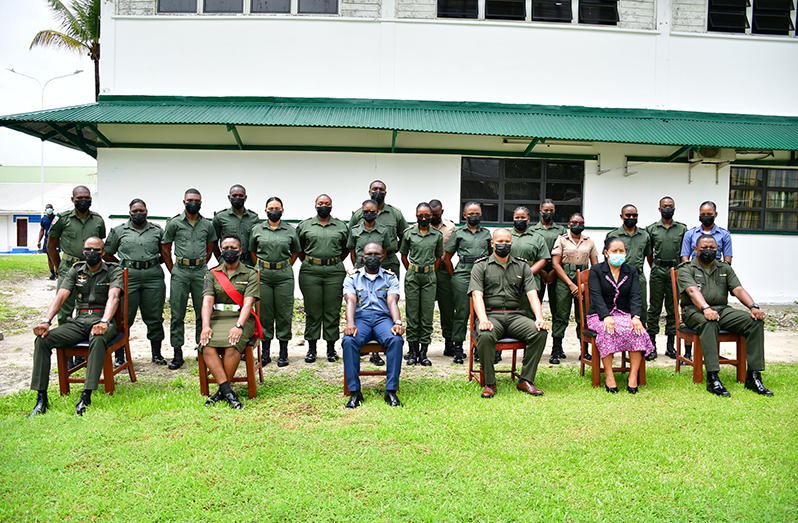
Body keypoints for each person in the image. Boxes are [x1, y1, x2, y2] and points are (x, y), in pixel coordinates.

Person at [28, 237, 122, 417]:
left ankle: (86, 395)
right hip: (79, 321)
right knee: (43, 340)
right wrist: (46, 321)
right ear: (83, 250)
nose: (91, 253)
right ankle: (41, 398)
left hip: (102, 320)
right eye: (88, 249)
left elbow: (114, 297)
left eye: (96, 250)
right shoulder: (76, 269)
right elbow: (61, 296)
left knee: (97, 336)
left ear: (103, 252)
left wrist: (104, 321)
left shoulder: (112, 270)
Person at [677, 234, 772, 397]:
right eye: (704, 248)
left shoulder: (724, 268)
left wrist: (753, 307)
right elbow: (692, 291)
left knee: (754, 322)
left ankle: (754, 376)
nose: (708, 250)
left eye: (712, 248)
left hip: (722, 309)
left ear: (718, 249)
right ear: (696, 250)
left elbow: (738, 289)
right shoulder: (686, 268)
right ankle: (713, 377)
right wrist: (706, 309)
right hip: (694, 310)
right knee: (709, 323)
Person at [468, 228, 549, 398]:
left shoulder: (522, 266)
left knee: (539, 332)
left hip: (515, 316)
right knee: (485, 335)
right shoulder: (480, 266)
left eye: (506, 242)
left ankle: (525, 380)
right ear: (492, 243)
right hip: (491, 315)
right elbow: (477, 295)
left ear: (511, 243)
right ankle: (490, 383)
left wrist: (539, 318)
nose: (503, 245)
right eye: (499, 242)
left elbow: (532, 293)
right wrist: (483, 319)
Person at [199, 233, 260, 410]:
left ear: (240, 251)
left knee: (232, 346)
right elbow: (207, 301)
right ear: (221, 250)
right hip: (218, 318)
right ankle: (227, 391)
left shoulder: (250, 273)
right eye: (225, 248)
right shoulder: (212, 273)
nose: (229, 251)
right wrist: (205, 326)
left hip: (241, 318)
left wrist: (239, 326)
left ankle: (221, 392)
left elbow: (249, 303)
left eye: (233, 248)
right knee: (207, 346)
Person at [586, 238, 654, 394]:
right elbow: (596, 296)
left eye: (621, 251)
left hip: (624, 314)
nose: (618, 254)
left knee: (637, 330)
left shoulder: (631, 271)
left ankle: (633, 376)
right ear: (606, 253)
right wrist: (605, 316)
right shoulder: (596, 270)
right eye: (614, 251)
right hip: (599, 315)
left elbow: (636, 296)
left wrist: (636, 317)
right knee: (607, 330)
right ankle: (609, 375)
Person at [342, 242, 405, 409]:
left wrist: (397, 323)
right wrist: (350, 324)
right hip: (360, 319)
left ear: (382, 257)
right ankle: (355, 393)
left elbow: (392, 301)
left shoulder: (390, 277)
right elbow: (351, 300)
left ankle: (390, 391)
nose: (372, 257)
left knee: (396, 340)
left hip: (382, 319)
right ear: (362, 257)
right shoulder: (352, 277)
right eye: (368, 254)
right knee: (349, 341)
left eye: (376, 254)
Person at [105, 199, 167, 368]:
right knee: (123, 317)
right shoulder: (118, 231)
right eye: (135, 211)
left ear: (146, 211)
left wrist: (150, 262)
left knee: (154, 316)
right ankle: (120, 355)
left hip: (153, 276)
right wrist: (123, 265)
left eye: (141, 210)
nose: (138, 213)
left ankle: (157, 354)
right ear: (129, 212)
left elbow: (165, 253)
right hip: (128, 276)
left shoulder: (157, 230)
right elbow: (106, 253)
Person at [162, 188, 218, 370]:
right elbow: (166, 248)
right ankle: (177, 353)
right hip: (180, 271)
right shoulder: (174, 223)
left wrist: (201, 263)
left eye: (197, 200)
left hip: (201, 270)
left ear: (201, 203)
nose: (193, 203)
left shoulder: (208, 225)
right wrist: (174, 270)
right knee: (177, 313)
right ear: (184, 201)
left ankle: (201, 350)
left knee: (203, 312)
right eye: (190, 200)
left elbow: (210, 248)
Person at [297, 194, 349, 364]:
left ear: (331, 206)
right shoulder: (305, 225)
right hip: (310, 271)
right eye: (320, 203)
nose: (323, 206)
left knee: (332, 310)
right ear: (315, 206)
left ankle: (331, 348)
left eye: (327, 203)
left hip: (334, 271)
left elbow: (346, 249)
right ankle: (311, 349)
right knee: (312, 311)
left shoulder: (341, 226)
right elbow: (299, 248)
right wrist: (312, 261)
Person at [249, 196, 301, 367]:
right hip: (262, 274)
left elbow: (295, 252)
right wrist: (262, 266)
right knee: (264, 312)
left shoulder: (290, 230)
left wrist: (283, 265)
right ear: (265, 211)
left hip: (283, 274)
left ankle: (283, 353)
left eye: (277, 208)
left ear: (282, 210)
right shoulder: (257, 229)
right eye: (271, 208)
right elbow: (252, 251)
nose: (274, 211)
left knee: (284, 312)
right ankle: (265, 353)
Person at [47, 186, 107, 327]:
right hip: (68, 267)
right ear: (73, 199)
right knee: (64, 307)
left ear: (91, 200)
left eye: (86, 198)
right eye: (79, 198)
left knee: (90, 305)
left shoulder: (98, 220)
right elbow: (51, 246)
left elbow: (100, 244)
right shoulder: (62, 218)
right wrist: (59, 266)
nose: (83, 201)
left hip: (90, 268)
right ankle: (64, 344)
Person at [443, 202, 493, 364]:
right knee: (462, 312)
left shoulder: (486, 234)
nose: (474, 216)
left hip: (482, 276)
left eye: (477, 213)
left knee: (480, 313)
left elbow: (492, 257)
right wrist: (454, 276)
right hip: (462, 276)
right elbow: (447, 258)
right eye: (471, 213)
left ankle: (478, 347)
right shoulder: (458, 233)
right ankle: (458, 348)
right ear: (465, 215)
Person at [400, 202, 444, 366]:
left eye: (427, 215)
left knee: (426, 315)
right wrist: (412, 269)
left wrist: (430, 271)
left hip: (429, 278)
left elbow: (439, 257)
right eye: (420, 215)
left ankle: (423, 353)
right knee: (412, 315)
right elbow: (404, 255)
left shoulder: (437, 235)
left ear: (432, 216)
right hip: (413, 276)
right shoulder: (408, 233)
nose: (424, 218)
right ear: (416, 215)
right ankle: (412, 351)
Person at [551, 213, 599, 362]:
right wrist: (571, 284)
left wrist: (585, 285)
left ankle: (584, 350)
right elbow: (555, 264)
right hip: (565, 278)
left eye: (581, 222)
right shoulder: (561, 239)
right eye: (574, 222)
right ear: (569, 224)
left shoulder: (589, 241)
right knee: (561, 314)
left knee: (583, 316)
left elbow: (595, 266)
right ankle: (556, 349)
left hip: (584, 278)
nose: (578, 224)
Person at [645, 196, 688, 360]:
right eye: (664, 206)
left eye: (670, 206)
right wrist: (655, 266)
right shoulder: (652, 229)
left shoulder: (682, 229)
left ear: (674, 209)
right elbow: (649, 254)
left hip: (675, 269)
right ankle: (651, 346)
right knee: (654, 308)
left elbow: (685, 252)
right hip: (657, 269)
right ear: (659, 209)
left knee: (672, 308)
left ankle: (671, 346)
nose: (667, 208)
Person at [509, 206, 549, 365]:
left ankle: (528, 353)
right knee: (506, 312)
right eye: (517, 217)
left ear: (529, 219)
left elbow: (543, 259)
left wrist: (527, 274)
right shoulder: (506, 235)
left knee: (531, 316)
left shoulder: (537, 237)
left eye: (523, 217)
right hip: (508, 280)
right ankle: (499, 351)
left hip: (531, 279)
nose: (520, 220)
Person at [529, 199, 568, 363]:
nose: (548, 212)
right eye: (545, 209)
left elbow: (565, 251)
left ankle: (557, 346)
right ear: (540, 210)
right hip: (538, 273)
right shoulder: (532, 230)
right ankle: (532, 343)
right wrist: (542, 271)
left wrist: (552, 271)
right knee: (533, 309)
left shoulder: (561, 230)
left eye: (551, 210)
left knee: (559, 309)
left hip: (556, 273)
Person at [607, 204, 652, 333]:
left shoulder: (645, 236)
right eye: (628, 215)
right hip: (618, 277)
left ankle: (642, 345)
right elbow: (607, 258)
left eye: (634, 215)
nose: (631, 217)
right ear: (621, 216)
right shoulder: (613, 235)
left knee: (641, 308)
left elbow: (649, 256)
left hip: (638, 277)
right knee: (619, 307)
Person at [349, 180, 408, 275]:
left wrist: (393, 248)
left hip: (388, 261)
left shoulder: (395, 214)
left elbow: (404, 236)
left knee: (389, 289)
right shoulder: (359, 214)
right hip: (363, 262)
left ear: (385, 193)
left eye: (381, 189)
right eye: (375, 189)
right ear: (369, 192)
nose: (378, 191)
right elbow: (350, 238)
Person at [429, 199, 457, 357]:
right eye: (430, 214)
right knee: (425, 309)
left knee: (447, 309)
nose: (432, 217)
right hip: (427, 271)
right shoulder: (418, 228)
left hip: (443, 271)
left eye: (436, 214)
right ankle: (420, 343)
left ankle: (449, 342)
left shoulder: (451, 228)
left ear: (442, 212)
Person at [212, 184, 260, 267]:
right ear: (229, 197)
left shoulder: (254, 218)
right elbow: (213, 241)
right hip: (227, 263)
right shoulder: (220, 217)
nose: (237, 198)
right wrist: (220, 258)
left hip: (248, 263)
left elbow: (257, 243)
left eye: (240, 195)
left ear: (245, 198)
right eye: (234, 195)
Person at [37, 203, 57, 280]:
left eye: (50, 208)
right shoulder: (44, 219)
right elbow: (42, 230)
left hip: (55, 239)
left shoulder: (56, 218)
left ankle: (58, 272)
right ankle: (52, 273)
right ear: (45, 210)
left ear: (53, 209)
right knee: (49, 257)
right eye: (48, 208)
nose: (49, 209)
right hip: (47, 240)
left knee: (56, 256)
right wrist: (39, 241)